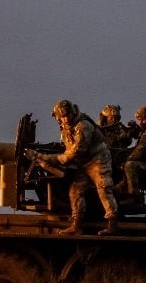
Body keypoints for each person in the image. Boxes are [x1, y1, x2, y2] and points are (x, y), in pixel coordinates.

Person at [42, 99, 120, 235]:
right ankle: (76, 224)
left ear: (72, 113)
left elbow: (78, 149)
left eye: (67, 116)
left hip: (97, 159)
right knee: (75, 190)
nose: (65, 119)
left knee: (103, 188)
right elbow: (70, 148)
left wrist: (56, 159)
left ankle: (112, 224)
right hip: (83, 162)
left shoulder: (83, 125)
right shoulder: (67, 126)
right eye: (62, 117)